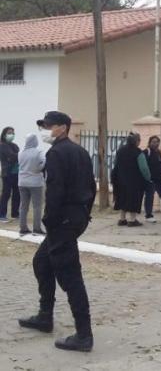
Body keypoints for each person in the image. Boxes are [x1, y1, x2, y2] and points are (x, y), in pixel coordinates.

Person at [18, 111, 96, 351]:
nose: (45, 129)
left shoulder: (57, 154)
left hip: (62, 220)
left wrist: (50, 220)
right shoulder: (80, 152)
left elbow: (55, 191)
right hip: (75, 217)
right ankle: (45, 316)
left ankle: (84, 335)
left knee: (69, 275)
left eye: (49, 126)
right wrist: (83, 214)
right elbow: (92, 187)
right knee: (42, 262)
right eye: (43, 125)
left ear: (63, 128)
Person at [111, 133, 150, 227]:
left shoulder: (120, 151)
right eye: (139, 140)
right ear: (136, 141)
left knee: (122, 198)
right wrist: (148, 178)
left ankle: (122, 219)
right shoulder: (138, 152)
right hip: (134, 181)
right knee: (134, 199)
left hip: (120, 179)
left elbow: (115, 163)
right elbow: (144, 168)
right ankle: (132, 220)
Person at [17, 133, 46, 235]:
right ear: (35, 141)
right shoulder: (38, 152)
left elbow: (20, 165)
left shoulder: (21, 152)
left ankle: (23, 228)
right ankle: (36, 229)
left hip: (22, 182)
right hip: (35, 183)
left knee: (23, 206)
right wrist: (38, 169)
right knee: (37, 206)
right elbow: (43, 163)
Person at [142, 135, 161, 223]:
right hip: (151, 180)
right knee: (149, 197)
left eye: (157, 142)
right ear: (149, 143)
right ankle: (148, 215)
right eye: (154, 142)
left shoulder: (159, 152)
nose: (156, 143)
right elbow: (144, 165)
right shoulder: (146, 152)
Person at [0, 126, 20, 223]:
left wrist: (17, 156)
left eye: (13, 132)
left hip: (17, 173)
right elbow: (12, 156)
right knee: (6, 194)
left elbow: (18, 156)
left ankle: (15, 213)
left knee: (17, 194)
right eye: (9, 133)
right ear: (4, 134)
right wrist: (17, 156)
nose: (11, 134)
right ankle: (2, 214)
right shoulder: (2, 145)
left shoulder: (14, 145)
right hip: (7, 173)